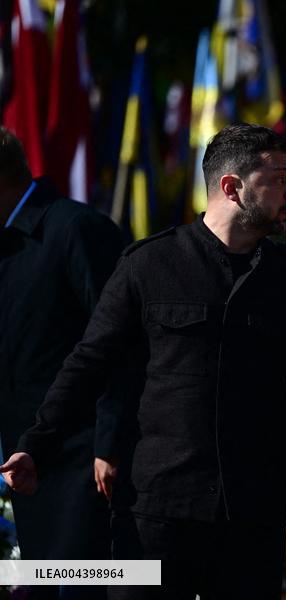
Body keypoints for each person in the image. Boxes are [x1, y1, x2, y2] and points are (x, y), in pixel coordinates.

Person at [1, 123, 286, 599]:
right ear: (232, 187)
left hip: (251, 522)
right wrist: (36, 446)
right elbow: (90, 365)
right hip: (155, 520)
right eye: (280, 178)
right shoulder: (147, 266)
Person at [0, 127, 125, 599]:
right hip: (29, 467)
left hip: (85, 464)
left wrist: (111, 444)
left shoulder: (75, 229)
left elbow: (121, 344)